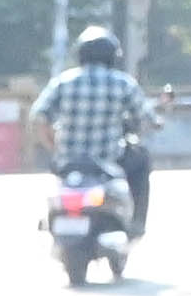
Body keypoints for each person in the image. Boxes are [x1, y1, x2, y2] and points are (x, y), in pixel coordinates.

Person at [31, 25, 159, 233]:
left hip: (69, 160)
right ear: (111, 56)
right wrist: (153, 122)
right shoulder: (123, 83)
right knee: (141, 160)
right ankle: (136, 223)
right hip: (109, 160)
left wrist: (53, 146)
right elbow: (145, 117)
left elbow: (39, 116)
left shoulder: (63, 82)